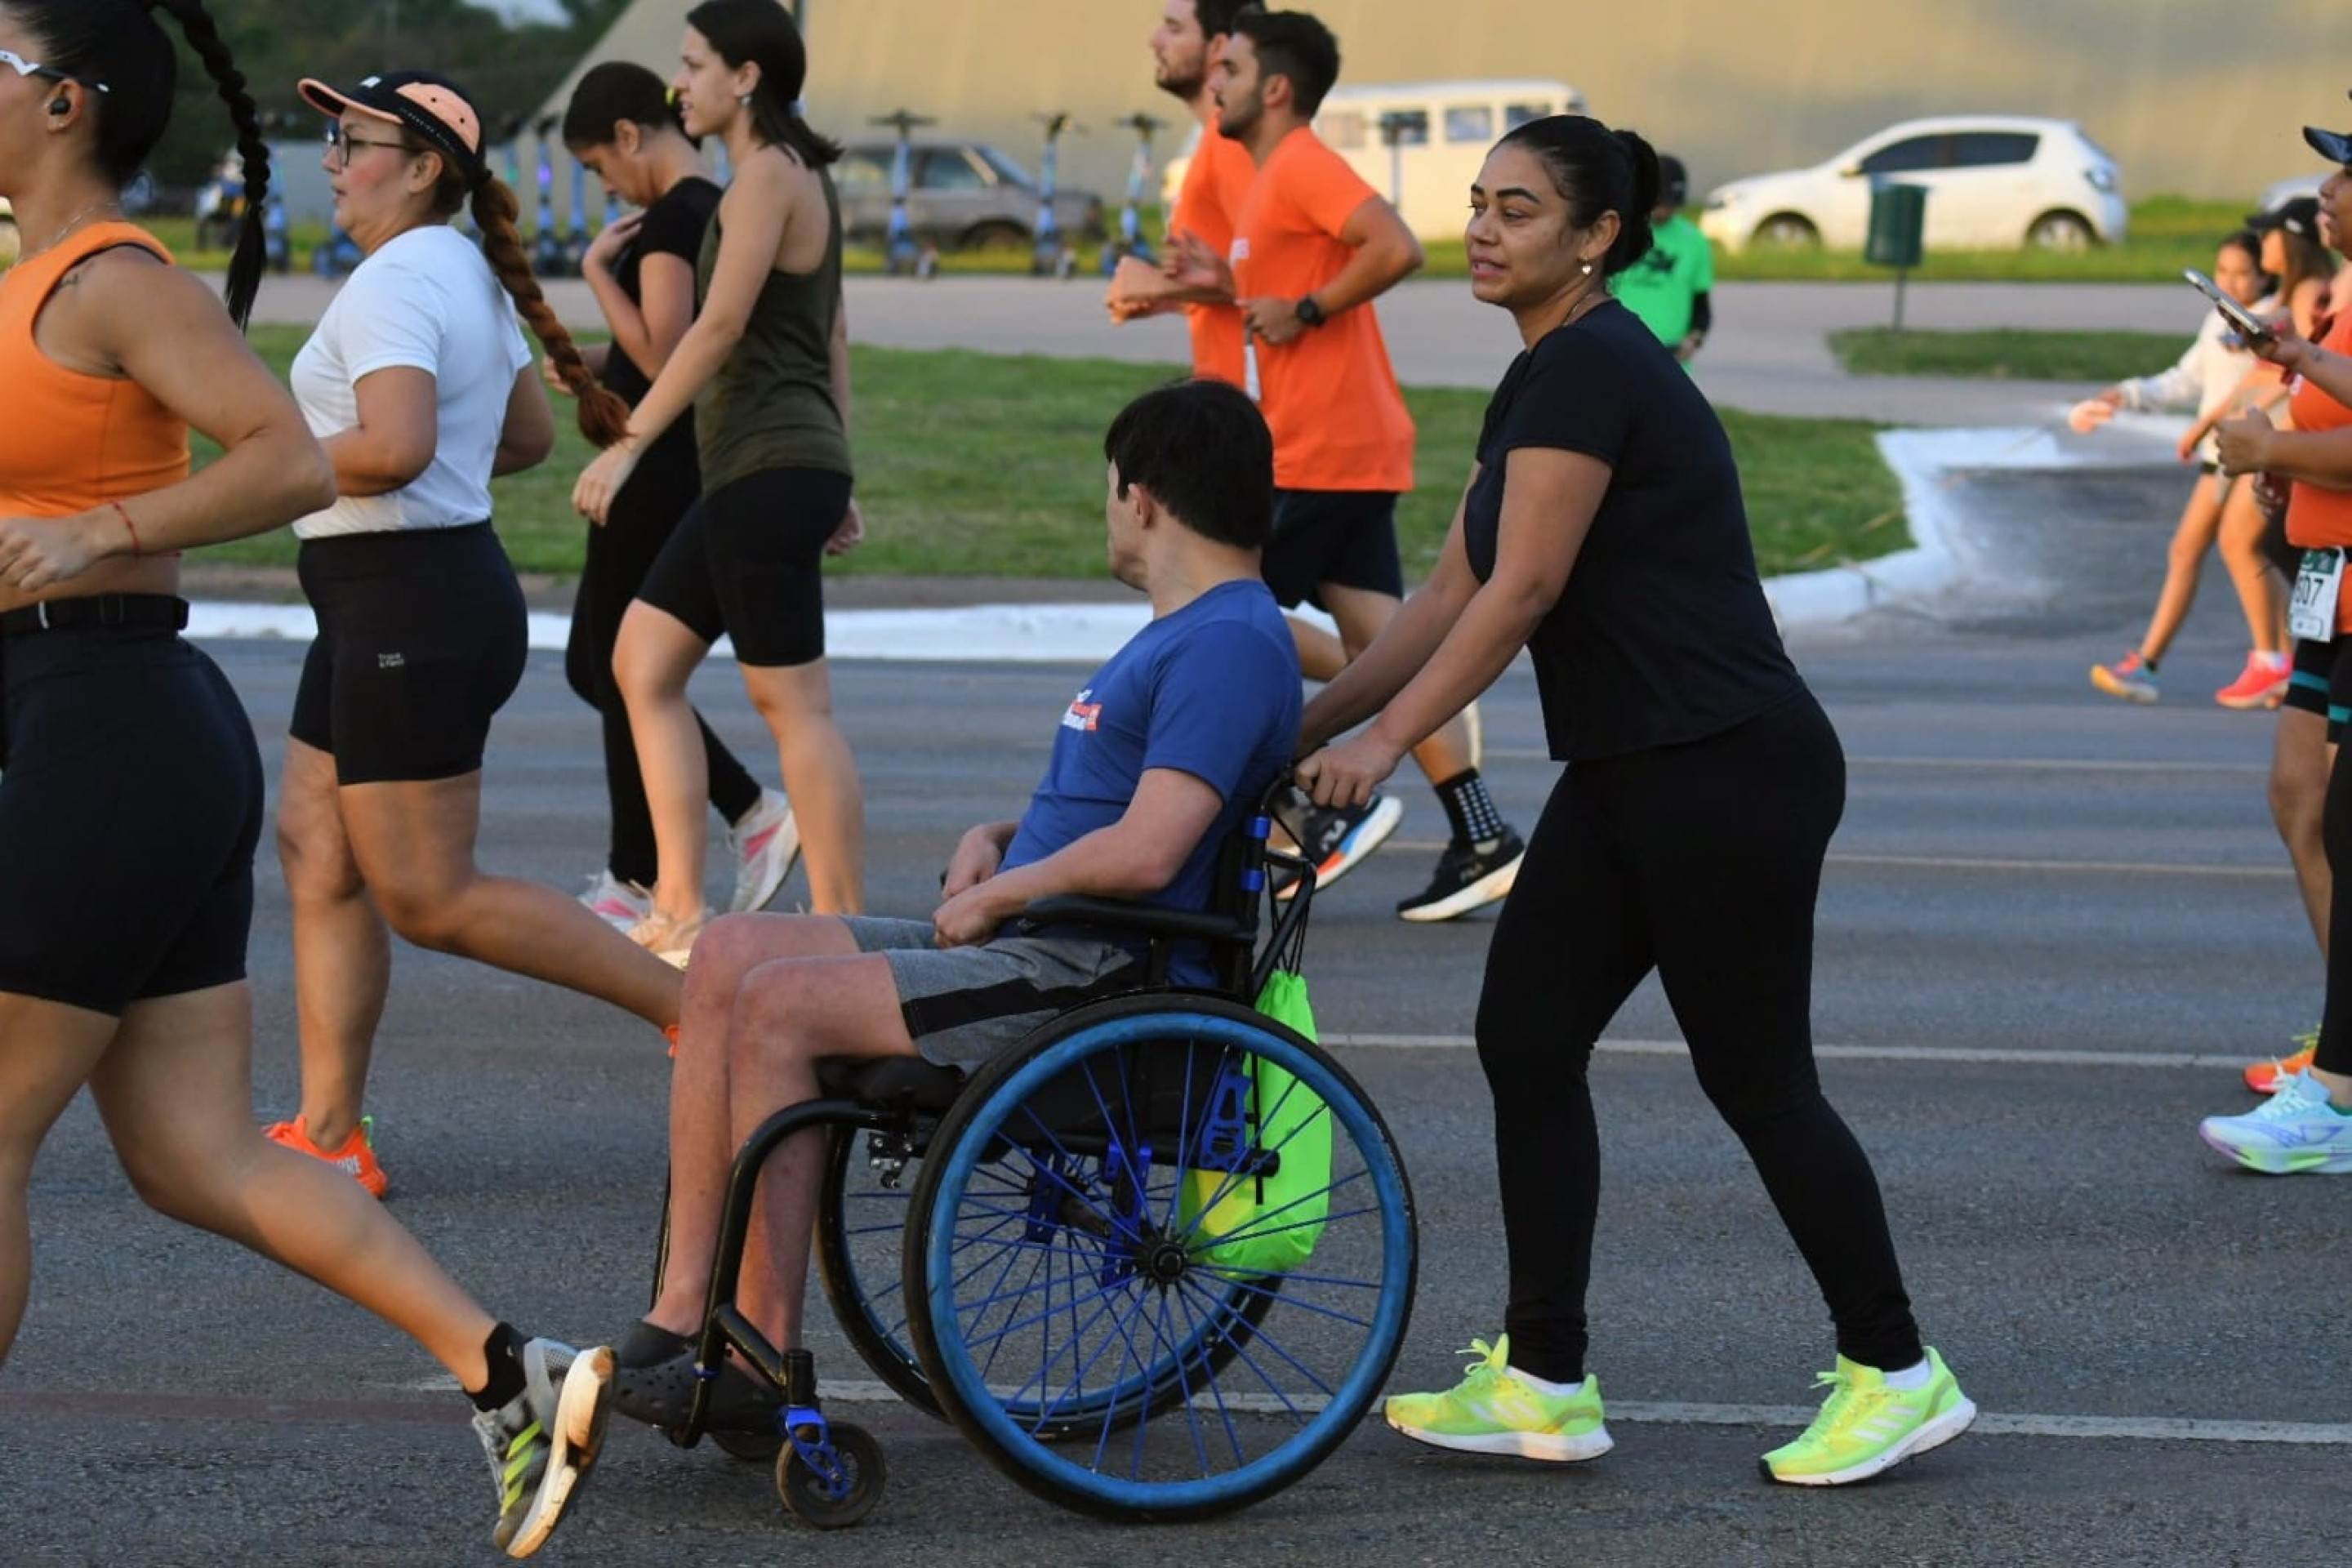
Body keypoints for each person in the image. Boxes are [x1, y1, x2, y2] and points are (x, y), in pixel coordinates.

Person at [0, 3, 610, 1555]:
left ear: (63, 103)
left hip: (104, 723)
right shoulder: (34, 288)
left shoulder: (114, 281)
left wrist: (109, 532)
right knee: (193, 1152)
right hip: (115, 728)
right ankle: (509, 1369)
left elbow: (280, 453)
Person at [1295, 114, 1971, 1485]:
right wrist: (1302, 725)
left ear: (1599, 236)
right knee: (1527, 1037)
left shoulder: (1594, 368)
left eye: (1522, 209)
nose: (1485, 227)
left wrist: (1385, 753)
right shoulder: (1546, 372)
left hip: (1726, 762)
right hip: (1634, 765)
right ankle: (1546, 1378)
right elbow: (1442, 593)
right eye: (1479, 203)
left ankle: (1898, 1368)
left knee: (1757, 1078)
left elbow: (1522, 591)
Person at [596, 381, 1300, 1432]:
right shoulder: (1196, 631)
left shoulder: (1226, 642)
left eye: (1111, 493)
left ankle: (760, 1346)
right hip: (1051, 934)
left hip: (1092, 970)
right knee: (727, 954)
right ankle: (689, 1303)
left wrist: (1009, 889)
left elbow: (1154, 852)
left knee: (782, 1006)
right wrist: (1003, 839)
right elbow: (1136, 807)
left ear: (1142, 498)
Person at [268, 67, 685, 1196]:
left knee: (429, 895)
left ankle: (696, 1015)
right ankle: (328, 1131)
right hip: (396, 592)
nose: (334, 163)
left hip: (411, 602)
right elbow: (528, 437)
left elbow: (397, 447)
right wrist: (405, 464)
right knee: (316, 840)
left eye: (353, 142)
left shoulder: (400, 281)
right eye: (335, 141)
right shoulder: (453, 269)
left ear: (422, 168)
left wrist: (258, 469)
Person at [1178, 7, 1526, 922]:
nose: (1217, 79)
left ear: (1276, 87)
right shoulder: (1264, 178)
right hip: (1337, 445)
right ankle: (1481, 832)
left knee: (1213, 611)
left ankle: (1307, 814)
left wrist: (1312, 306)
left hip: (1322, 451)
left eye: (1233, 66)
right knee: (1390, 653)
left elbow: (1397, 244)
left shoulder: (1300, 163)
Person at [573, 0, 867, 965]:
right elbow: (827, 336)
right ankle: (682, 911)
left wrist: (628, 444)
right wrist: (842, 467)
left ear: (746, 78)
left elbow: (719, 326)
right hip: (774, 464)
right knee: (639, 662)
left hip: (764, 465)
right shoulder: (793, 177)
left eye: (696, 65)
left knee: (797, 709)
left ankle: (842, 928)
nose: (680, 83)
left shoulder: (765, 182)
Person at [556, 62, 797, 933]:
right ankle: (670, 852)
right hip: (680, 461)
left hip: (654, 469)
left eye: (596, 165)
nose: (604, 184)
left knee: (616, 666)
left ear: (628, 135)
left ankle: (686, 847)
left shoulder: (668, 221)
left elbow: (665, 355)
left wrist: (596, 274)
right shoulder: (714, 209)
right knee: (609, 667)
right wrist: (592, 362)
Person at [2199, 137, 2352, 1170]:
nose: (2326, 195)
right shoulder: (2333, 297)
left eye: (2347, 175)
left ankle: (2338, 1093)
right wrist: (2296, 379)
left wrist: (2276, 450)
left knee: (2340, 819)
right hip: (2330, 577)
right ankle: (2339, 1068)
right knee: (2315, 805)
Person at [2080, 231, 2287, 708]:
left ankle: (2274, 662)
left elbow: (2266, 389)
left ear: (2266, 273)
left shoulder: (2274, 321)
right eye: (2224, 271)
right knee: (2188, 550)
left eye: (2243, 272)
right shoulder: (2219, 321)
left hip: (2249, 455)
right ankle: (2150, 663)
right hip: (2218, 458)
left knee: (2241, 550)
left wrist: (2202, 428)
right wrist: (2127, 394)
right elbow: (2185, 379)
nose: (2232, 281)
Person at [1107, 0, 1256, 392]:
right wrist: (1176, 299)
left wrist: (1159, 285)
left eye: (1173, 29)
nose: (1154, 41)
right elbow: (1238, 279)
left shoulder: (1233, 143)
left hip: (1269, 412)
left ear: (1219, 46)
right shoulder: (1215, 141)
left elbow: (1287, 284)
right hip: (1240, 405)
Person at [1609, 154, 1713, 364]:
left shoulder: (1695, 241)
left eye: (1672, 204)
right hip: (1619, 351)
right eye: (1661, 203)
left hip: (1672, 359)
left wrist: (1695, 339)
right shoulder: (1619, 231)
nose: (1666, 210)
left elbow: (1701, 305)